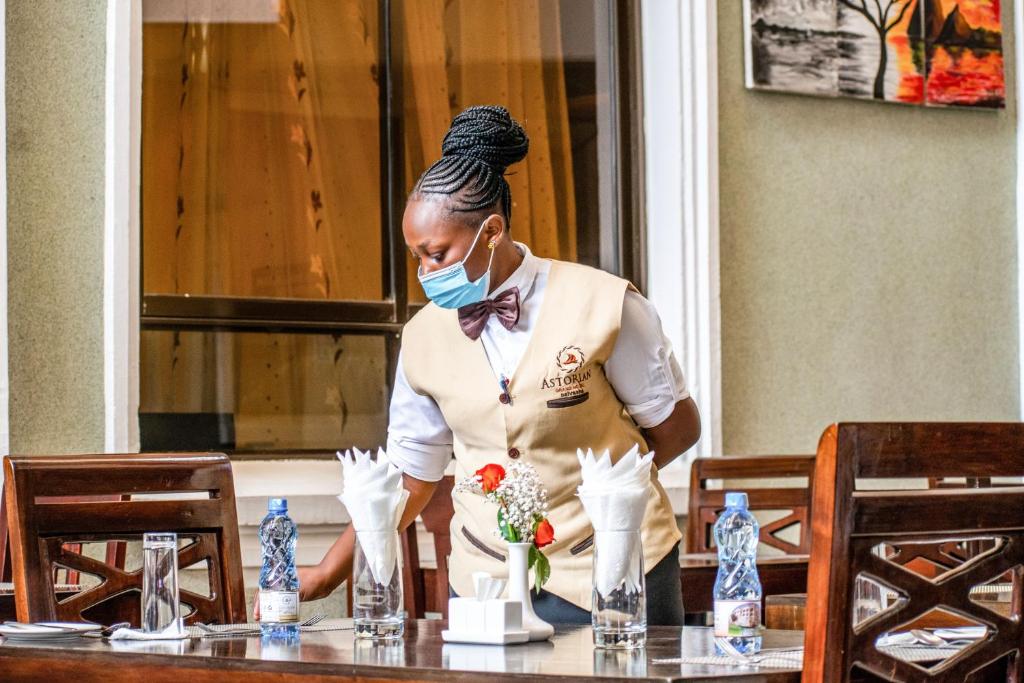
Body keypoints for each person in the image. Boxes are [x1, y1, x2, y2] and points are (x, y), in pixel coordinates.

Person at [289, 105, 700, 625]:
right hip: (484, 582)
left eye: (437, 254)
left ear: (491, 232)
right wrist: (327, 574)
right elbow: (410, 477)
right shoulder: (422, 337)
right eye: (417, 257)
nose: (424, 273)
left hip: (613, 569)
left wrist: (609, 500)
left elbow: (677, 429)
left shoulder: (607, 305)